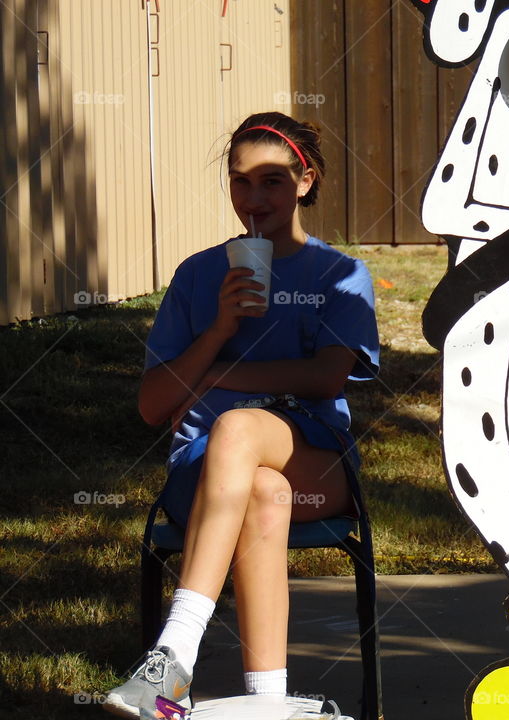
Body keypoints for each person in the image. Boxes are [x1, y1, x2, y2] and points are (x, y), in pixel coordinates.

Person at [104, 111, 379, 718]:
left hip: (316, 465)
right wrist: (220, 330)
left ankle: (172, 654)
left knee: (238, 428)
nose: (253, 200)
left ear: (305, 182)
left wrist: (218, 376)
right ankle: (269, 703)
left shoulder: (339, 274)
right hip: (206, 481)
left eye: (272, 182)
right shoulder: (199, 275)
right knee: (261, 491)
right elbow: (153, 407)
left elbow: (326, 376)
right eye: (240, 182)